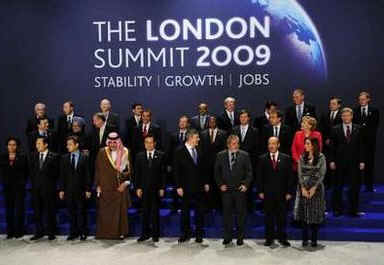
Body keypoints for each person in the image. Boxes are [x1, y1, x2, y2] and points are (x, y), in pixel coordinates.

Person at [214, 135, 253, 246]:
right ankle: (228, 237)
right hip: (226, 191)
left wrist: (245, 185)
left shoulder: (245, 155)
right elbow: (216, 172)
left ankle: (240, 238)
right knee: (227, 215)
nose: (236, 145)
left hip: (240, 191)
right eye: (234, 143)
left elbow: (249, 172)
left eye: (237, 143)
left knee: (241, 214)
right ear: (228, 144)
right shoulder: (220, 155)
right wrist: (220, 184)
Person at [257, 137, 294, 247]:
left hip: (282, 194)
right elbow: (259, 177)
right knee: (268, 217)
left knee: (281, 217)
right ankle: (269, 238)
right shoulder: (262, 158)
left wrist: (289, 192)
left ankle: (282, 238)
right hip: (268, 194)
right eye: (269, 144)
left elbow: (290, 177)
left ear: (278, 145)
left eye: (273, 143)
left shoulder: (286, 158)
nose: (271, 146)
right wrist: (260, 191)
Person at [173, 129, 209, 243]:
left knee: (200, 211)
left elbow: (204, 168)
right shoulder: (179, 151)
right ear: (190, 138)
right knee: (185, 211)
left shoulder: (199, 149)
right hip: (185, 187)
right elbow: (176, 170)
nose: (198, 139)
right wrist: (178, 186)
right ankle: (185, 233)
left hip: (199, 187)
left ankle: (199, 234)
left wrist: (206, 182)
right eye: (196, 137)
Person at [95, 132, 132, 239]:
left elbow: (129, 172)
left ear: (118, 142)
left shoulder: (125, 152)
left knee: (120, 213)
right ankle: (105, 234)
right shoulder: (102, 152)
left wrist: (125, 184)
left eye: (114, 142)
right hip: (105, 188)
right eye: (110, 142)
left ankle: (120, 233)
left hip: (119, 188)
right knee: (105, 213)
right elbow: (98, 170)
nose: (112, 145)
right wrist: (98, 185)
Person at [329, 108, 365, 217]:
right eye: (344, 116)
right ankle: (337, 210)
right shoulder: (335, 129)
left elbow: (362, 146)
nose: (346, 117)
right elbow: (331, 147)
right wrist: (331, 160)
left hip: (354, 162)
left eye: (348, 115)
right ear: (341, 117)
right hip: (339, 162)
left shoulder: (359, 129)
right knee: (337, 187)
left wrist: (362, 161)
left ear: (352, 116)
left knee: (354, 187)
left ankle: (353, 210)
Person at [294, 138, 326, 248]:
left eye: (307, 144)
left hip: (316, 189)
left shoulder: (321, 157)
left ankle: (314, 239)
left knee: (315, 214)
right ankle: (304, 239)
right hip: (303, 188)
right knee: (304, 214)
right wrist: (303, 187)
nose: (305, 146)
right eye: (305, 144)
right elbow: (299, 173)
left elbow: (322, 174)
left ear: (313, 145)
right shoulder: (302, 157)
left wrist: (314, 188)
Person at [135, 135, 167, 243]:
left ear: (154, 144)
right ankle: (144, 234)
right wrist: (138, 187)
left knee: (155, 213)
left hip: (156, 189)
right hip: (143, 189)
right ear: (144, 144)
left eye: (151, 142)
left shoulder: (161, 155)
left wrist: (162, 187)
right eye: (146, 142)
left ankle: (155, 234)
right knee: (144, 212)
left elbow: (163, 173)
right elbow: (137, 174)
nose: (149, 144)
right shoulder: (139, 156)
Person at [59, 136, 92, 241]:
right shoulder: (64, 158)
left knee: (81, 212)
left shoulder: (84, 157)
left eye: (70, 144)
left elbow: (87, 175)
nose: (67, 146)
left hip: (81, 190)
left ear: (76, 145)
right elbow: (62, 175)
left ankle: (83, 232)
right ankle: (73, 232)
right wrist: (62, 189)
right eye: (67, 144)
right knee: (71, 212)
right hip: (68, 190)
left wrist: (88, 189)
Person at [29, 136, 60, 241]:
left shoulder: (54, 156)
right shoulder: (33, 156)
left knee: (50, 211)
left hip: (49, 188)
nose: (37, 145)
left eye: (39, 143)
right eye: (36, 143)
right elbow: (32, 172)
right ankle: (39, 232)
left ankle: (51, 232)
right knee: (37, 211)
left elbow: (56, 173)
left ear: (46, 144)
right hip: (36, 188)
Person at [231, 109, 259, 212]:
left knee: (248, 186)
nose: (243, 119)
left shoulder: (255, 131)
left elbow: (256, 149)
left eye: (245, 117)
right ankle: (236, 207)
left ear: (248, 118)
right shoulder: (234, 130)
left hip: (249, 163)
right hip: (236, 163)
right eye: (241, 117)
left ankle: (249, 208)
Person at [0, 137, 28, 239]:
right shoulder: (3, 157)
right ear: (6, 146)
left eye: (14, 145)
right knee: (9, 210)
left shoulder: (22, 156)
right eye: (9, 145)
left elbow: (25, 172)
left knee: (19, 210)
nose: (11, 147)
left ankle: (19, 231)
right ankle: (10, 231)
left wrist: (22, 183)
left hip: (19, 187)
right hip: (7, 187)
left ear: (17, 146)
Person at [353, 92, 380, 192]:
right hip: (357, 142)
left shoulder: (374, 110)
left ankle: (369, 186)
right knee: (357, 165)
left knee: (369, 164)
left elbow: (375, 126)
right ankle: (357, 186)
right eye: (360, 99)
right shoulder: (355, 110)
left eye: (363, 99)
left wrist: (365, 130)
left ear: (368, 99)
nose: (362, 101)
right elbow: (354, 126)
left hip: (369, 142)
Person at [199, 116, 227, 210]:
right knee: (207, 186)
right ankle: (208, 206)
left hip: (219, 164)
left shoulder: (223, 133)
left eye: (213, 121)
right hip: (206, 165)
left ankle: (219, 206)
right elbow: (200, 149)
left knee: (218, 184)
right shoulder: (202, 134)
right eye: (210, 121)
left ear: (216, 122)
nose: (211, 123)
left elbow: (225, 149)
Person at [166, 115, 190, 212]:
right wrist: (169, 164)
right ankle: (175, 205)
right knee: (176, 185)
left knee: (186, 185)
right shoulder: (173, 135)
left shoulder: (190, 136)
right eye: (180, 121)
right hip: (175, 165)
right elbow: (169, 150)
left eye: (184, 122)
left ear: (188, 124)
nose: (182, 123)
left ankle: (185, 206)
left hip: (187, 166)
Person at [319, 97, 343, 189]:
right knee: (326, 165)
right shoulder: (325, 115)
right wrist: (326, 139)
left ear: (339, 105)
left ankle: (337, 184)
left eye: (333, 104)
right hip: (326, 145)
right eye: (330, 104)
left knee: (337, 165)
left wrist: (332, 139)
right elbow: (321, 128)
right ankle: (327, 183)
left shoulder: (342, 115)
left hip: (338, 145)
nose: (331, 105)